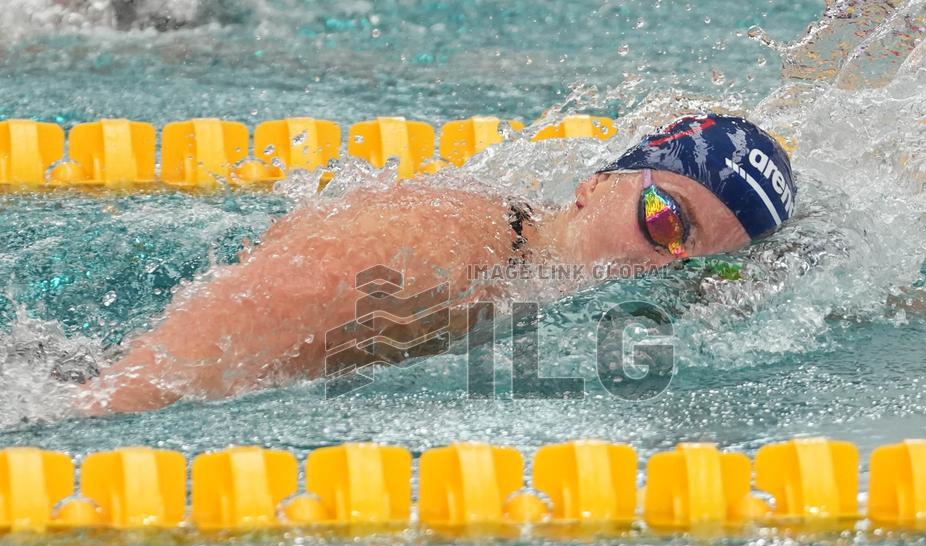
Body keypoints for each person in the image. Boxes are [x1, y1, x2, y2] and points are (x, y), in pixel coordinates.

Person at [74, 114, 796, 415]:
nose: (668, 267)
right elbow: (140, 386)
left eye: (710, 266)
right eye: (666, 221)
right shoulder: (430, 249)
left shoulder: (539, 292)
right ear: (596, 185)